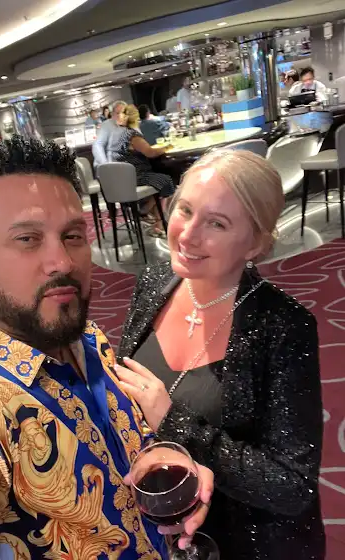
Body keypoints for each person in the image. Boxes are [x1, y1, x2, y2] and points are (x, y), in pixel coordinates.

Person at [0, 135, 213, 559]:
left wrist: (159, 453)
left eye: (73, 235)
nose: (63, 262)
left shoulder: (83, 337)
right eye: (27, 238)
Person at [116, 149, 326, 560]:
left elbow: (292, 485)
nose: (188, 235)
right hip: (165, 523)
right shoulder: (155, 282)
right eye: (185, 210)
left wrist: (172, 421)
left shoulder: (284, 326)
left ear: (255, 243)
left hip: (250, 541)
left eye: (217, 223)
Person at [113, 104, 176, 237]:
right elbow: (150, 152)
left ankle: (156, 221)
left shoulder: (120, 134)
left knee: (158, 184)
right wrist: (167, 147)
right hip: (136, 176)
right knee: (167, 180)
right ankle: (147, 212)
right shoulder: (133, 135)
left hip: (123, 177)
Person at [92, 99, 127, 168]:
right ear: (112, 114)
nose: (120, 115)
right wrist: (106, 165)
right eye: (117, 113)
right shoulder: (106, 125)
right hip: (106, 165)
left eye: (123, 113)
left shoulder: (128, 125)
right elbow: (97, 145)